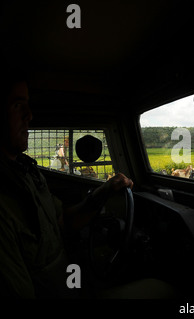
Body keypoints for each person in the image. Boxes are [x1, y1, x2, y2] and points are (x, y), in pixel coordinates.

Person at [0, 70, 175, 298]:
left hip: (70, 279)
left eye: (28, 105)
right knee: (161, 291)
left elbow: (64, 221)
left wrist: (104, 190)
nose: (30, 115)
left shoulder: (27, 172)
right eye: (17, 105)